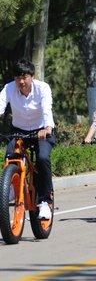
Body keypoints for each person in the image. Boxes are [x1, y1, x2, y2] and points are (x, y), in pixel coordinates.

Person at [0, 59, 55, 220]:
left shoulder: (42, 88)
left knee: (43, 158)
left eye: (25, 77)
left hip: (42, 130)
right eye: (18, 78)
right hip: (19, 130)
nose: (21, 82)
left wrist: (47, 128)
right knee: (10, 156)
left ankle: (45, 201)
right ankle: (9, 188)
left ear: (32, 76)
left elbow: (47, 108)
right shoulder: (9, 88)